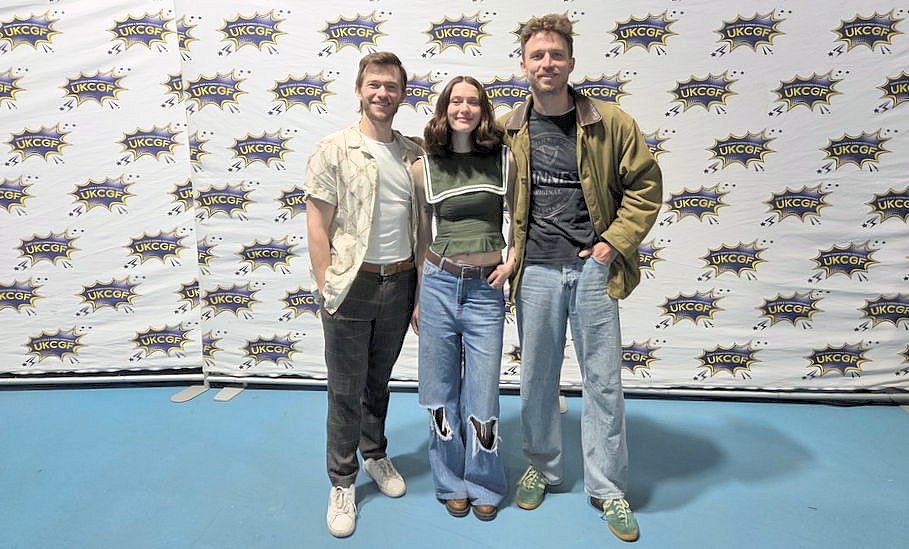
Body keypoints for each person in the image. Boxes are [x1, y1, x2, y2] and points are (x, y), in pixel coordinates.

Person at [498, 14, 662, 542]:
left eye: (555, 54)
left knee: (603, 380)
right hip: (536, 270)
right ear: (523, 64)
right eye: (537, 55)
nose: (546, 63)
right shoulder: (507, 128)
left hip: (593, 271)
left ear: (571, 62)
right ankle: (542, 467)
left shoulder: (610, 122)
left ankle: (608, 488)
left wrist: (611, 244)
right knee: (536, 379)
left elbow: (645, 186)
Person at [303, 51, 427, 538]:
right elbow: (318, 224)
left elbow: (423, 225)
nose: (382, 93)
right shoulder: (333, 149)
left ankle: (374, 453)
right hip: (351, 287)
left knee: (379, 383)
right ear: (359, 90)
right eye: (374, 84)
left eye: (391, 86)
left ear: (402, 94)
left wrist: (419, 289)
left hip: (400, 282)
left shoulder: (414, 154)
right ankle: (342, 481)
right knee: (345, 390)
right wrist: (326, 285)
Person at [410, 76, 516, 521]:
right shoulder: (423, 167)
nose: (464, 108)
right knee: (439, 390)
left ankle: (485, 481)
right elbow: (421, 235)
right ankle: (449, 481)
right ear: (444, 108)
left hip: (485, 290)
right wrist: (419, 294)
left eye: (473, 101)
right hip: (438, 283)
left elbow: (521, 218)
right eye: (457, 101)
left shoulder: (504, 159)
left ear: (483, 110)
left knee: (483, 393)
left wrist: (512, 260)